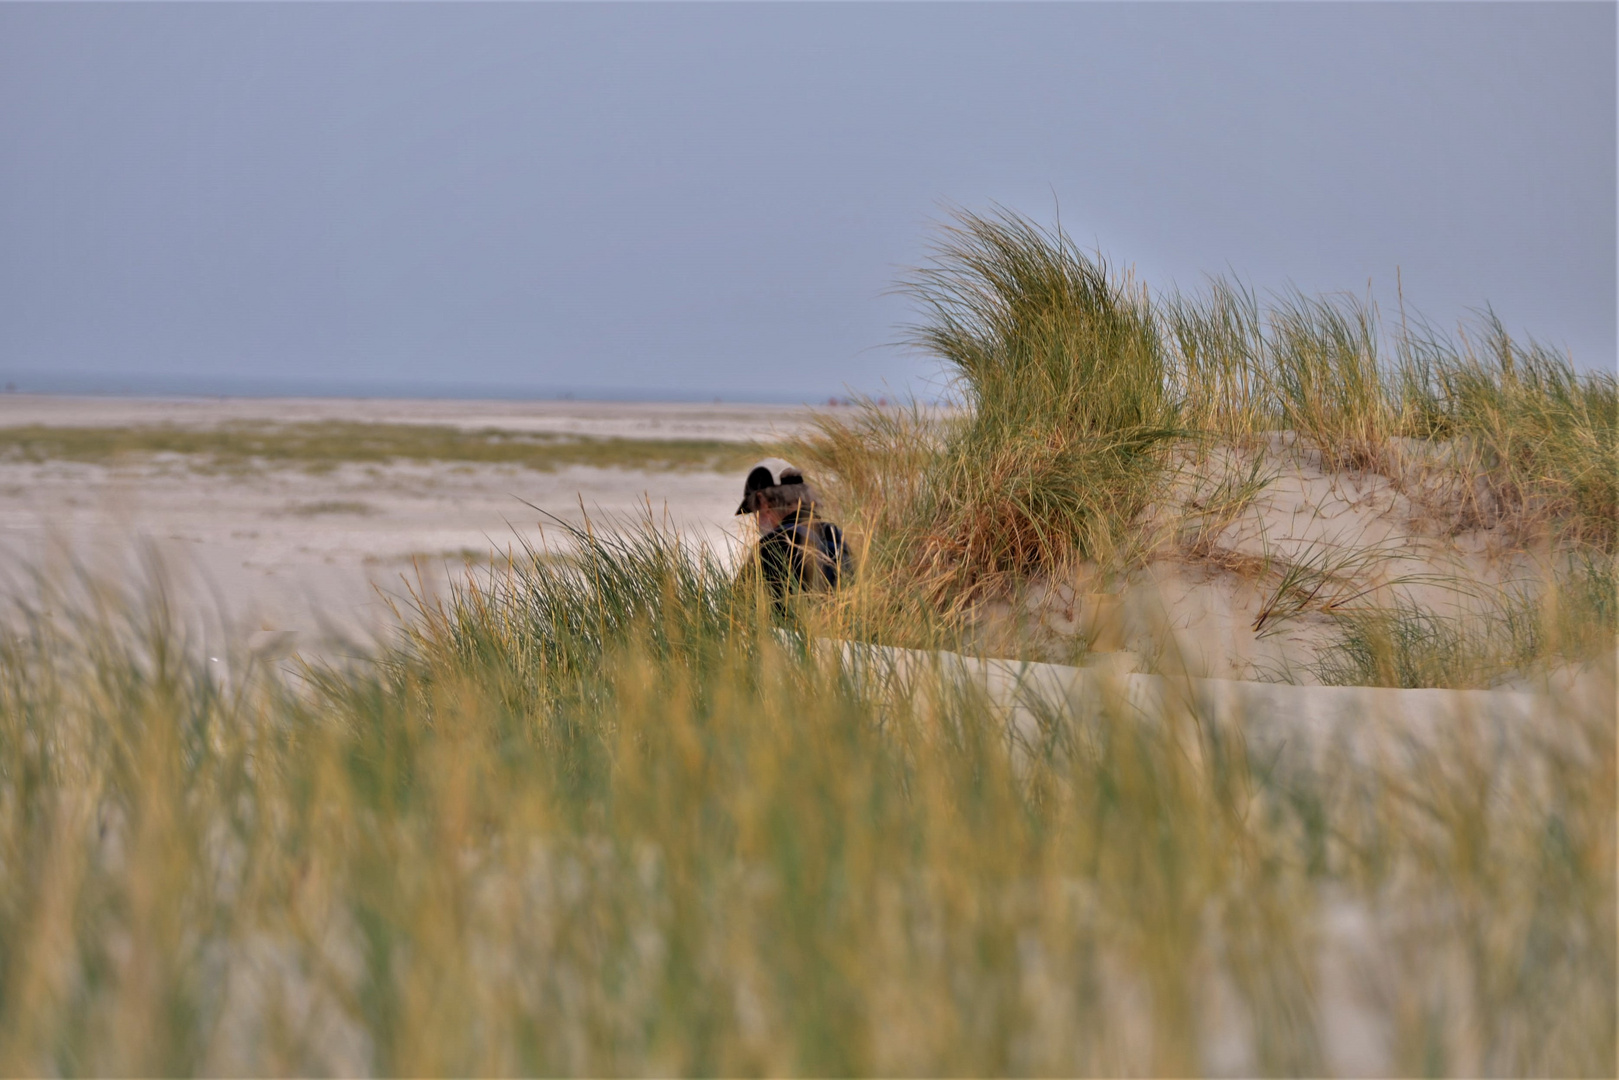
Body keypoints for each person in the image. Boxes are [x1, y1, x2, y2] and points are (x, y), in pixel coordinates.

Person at [735, 458, 848, 608]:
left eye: (754, 510)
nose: (756, 520)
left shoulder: (769, 547)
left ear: (764, 503)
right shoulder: (835, 534)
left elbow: (735, 613)